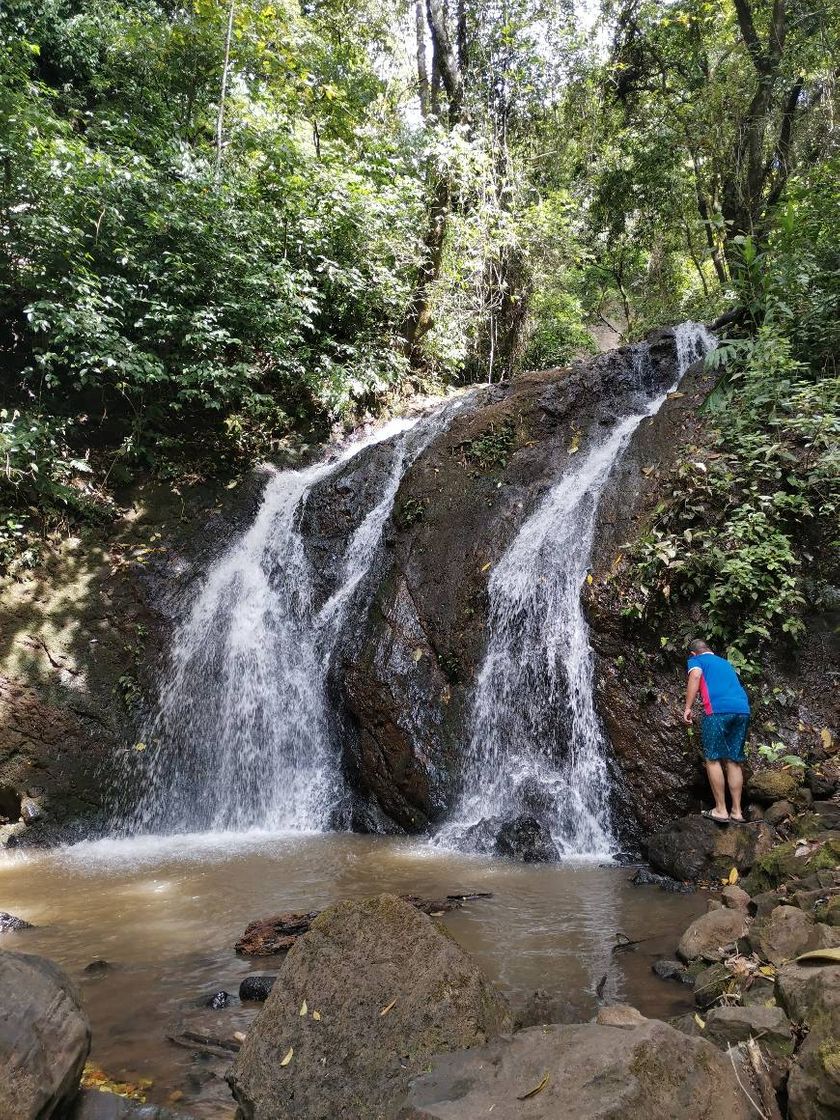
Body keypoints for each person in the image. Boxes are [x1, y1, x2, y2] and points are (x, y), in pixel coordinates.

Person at [682, 638, 750, 824]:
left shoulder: (697, 661)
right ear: (709, 649)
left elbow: (695, 676)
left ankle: (721, 809)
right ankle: (737, 811)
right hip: (742, 710)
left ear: (693, 653)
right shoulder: (724, 662)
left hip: (718, 711)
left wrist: (688, 707)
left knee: (712, 758)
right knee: (733, 759)